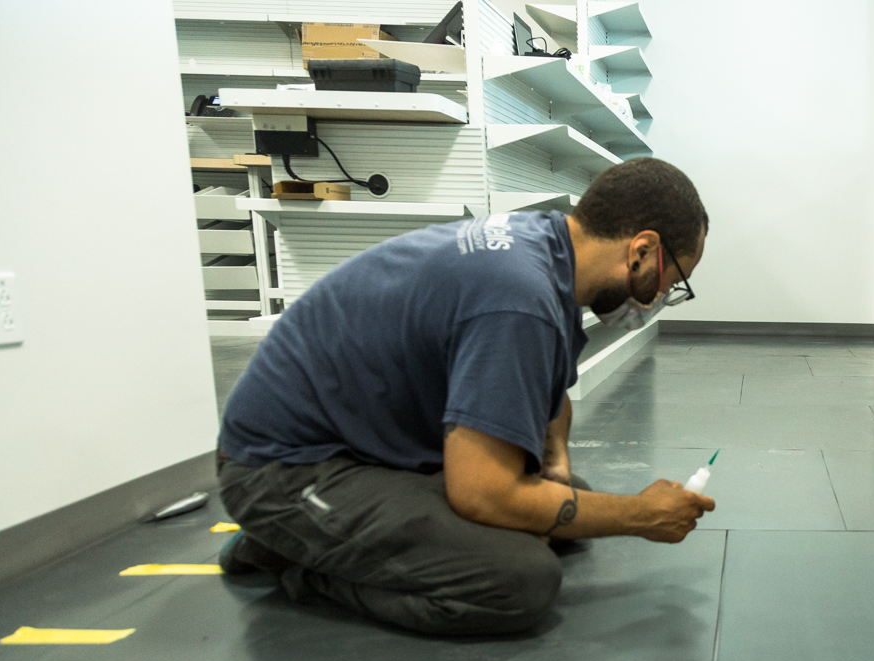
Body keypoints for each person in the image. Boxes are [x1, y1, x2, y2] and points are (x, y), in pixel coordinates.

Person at [214, 158, 714, 636]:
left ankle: (328, 537)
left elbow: (551, 392)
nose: (659, 297)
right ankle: (294, 557)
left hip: (361, 438)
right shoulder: (519, 299)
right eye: (673, 280)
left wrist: (555, 467)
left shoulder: (547, 249)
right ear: (642, 250)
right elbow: (482, 495)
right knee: (517, 579)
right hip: (281, 469)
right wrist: (639, 514)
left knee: (564, 503)